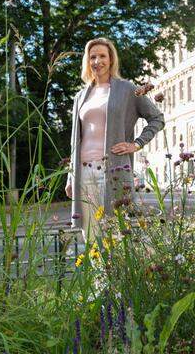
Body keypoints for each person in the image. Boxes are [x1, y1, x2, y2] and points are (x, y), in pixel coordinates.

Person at [64, 38, 164, 241]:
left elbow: (157, 118)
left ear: (111, 60)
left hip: (113, 169)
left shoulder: (126, 89)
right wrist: (70, 177)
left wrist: (136, 144)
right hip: (83, 173)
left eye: (102, 56)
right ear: (87, 61)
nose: (97, 61)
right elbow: (75, 141)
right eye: (93, 57)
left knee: (115, 234)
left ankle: (115, 274)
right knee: (90, 236)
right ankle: (94, 274)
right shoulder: (81, 96)